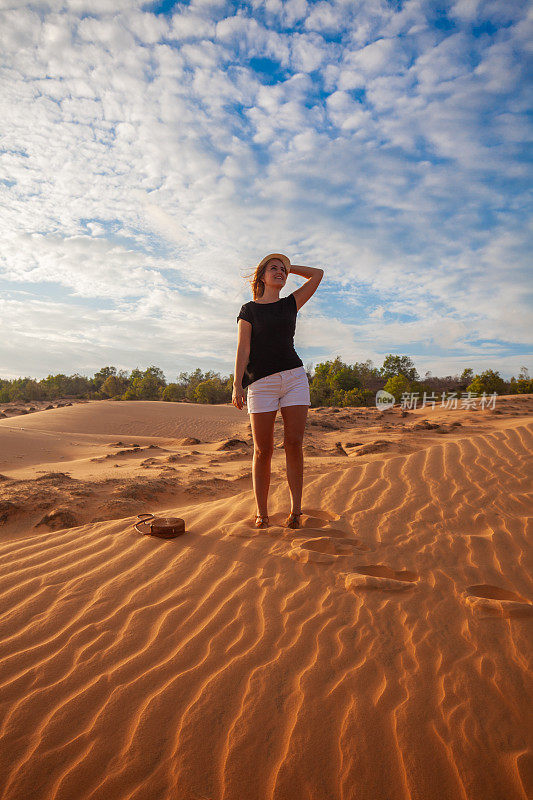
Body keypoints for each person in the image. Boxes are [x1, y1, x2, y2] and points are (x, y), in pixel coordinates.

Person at [232, 253, 324, 529]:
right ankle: (262, 512)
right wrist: (237, 384)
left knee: (294, 444)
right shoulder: (248, 310)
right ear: (261, 276)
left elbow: (317, 274)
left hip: (294, 378)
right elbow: (243, 348)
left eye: (282, 270)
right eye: (273, 268)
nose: (280, 272)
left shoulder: (290, 304)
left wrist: (289, 266)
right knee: (263, 450)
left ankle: (296, 511)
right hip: (261, 383)